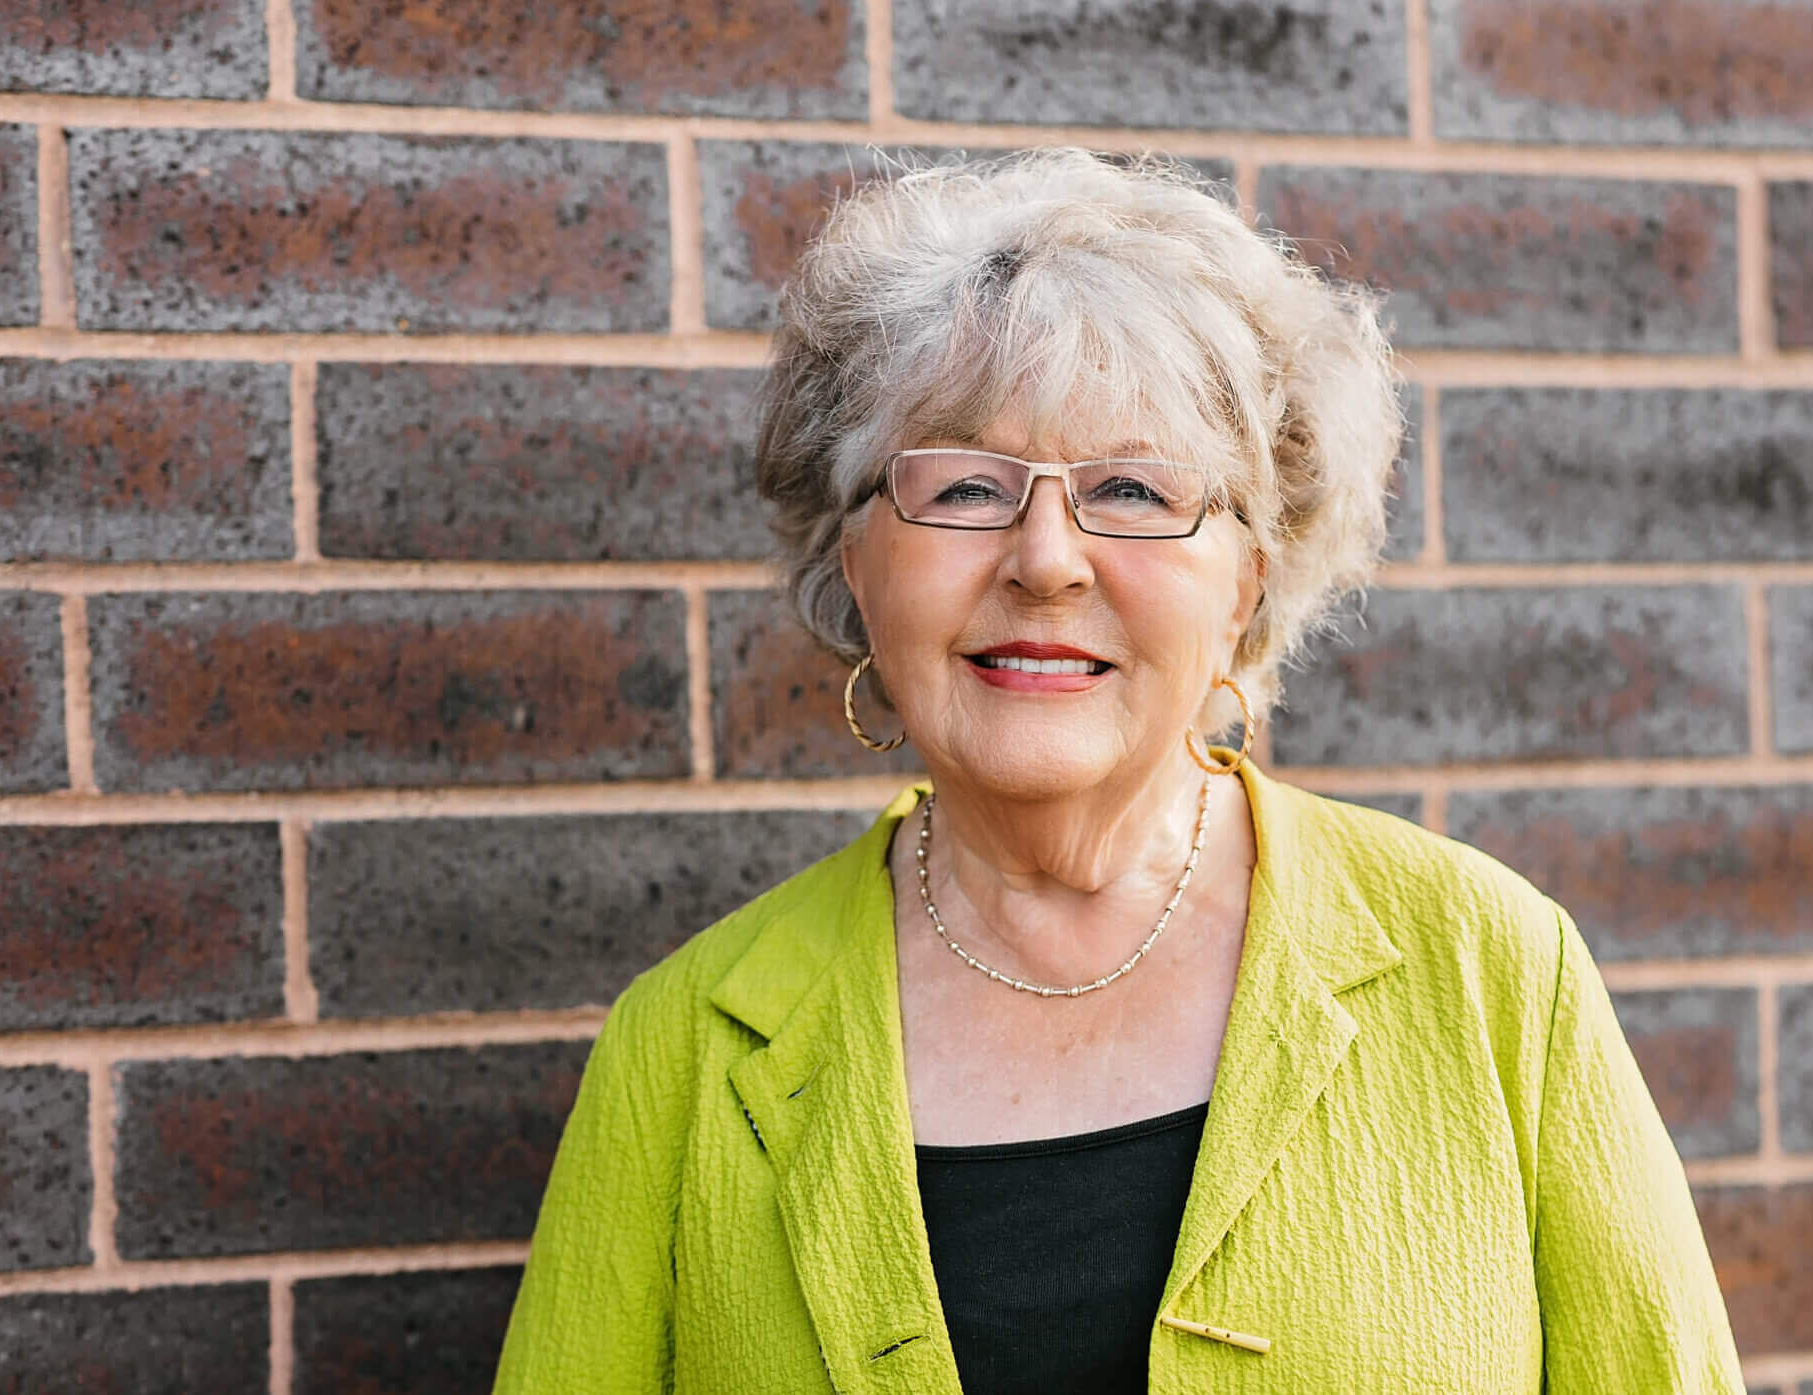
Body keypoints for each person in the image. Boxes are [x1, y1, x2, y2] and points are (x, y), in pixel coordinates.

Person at [493, 147, 1743, 1394]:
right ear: (855, 563)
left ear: (1247, 581)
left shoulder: (1492, 974)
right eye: (967, 483)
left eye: (1133, 489)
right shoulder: (684, 1051)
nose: (1046, 560)